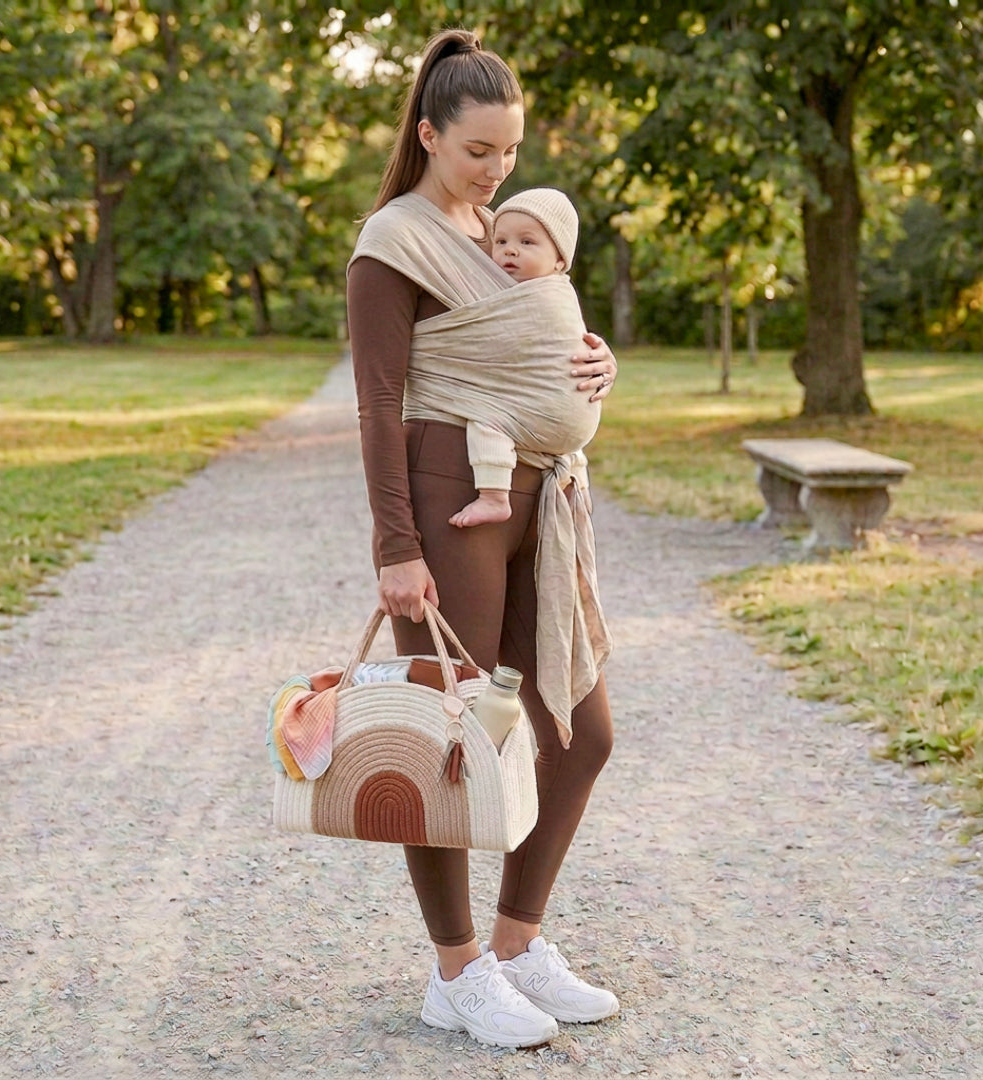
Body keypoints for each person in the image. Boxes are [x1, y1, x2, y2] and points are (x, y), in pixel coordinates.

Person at [346, 28, 619, 1050]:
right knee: (450, 746)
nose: (499, 169)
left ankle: (516, 945)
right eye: (479, 152)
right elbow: (378, 402)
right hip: (448, 493)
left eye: (510, 150)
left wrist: (597, 369)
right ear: (427, 133)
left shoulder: (514, 231)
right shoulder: (395, 242)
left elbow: (547, 335)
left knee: (580, 733)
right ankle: (455, 971)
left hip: (542, 505)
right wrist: (395, 546)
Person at [449, 186, 596, 529]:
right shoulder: (558, 292)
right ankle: (578, 484)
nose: (510, 251)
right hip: (570, 424)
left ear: (560, 258)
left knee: (487, 416)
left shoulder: (546, 295)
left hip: (548, 411)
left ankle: (494, 496)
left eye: (527, 243)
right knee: (564, 444)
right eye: (501, 242)